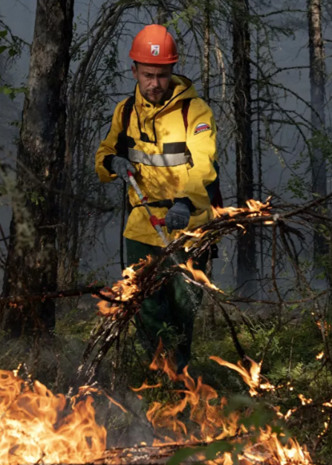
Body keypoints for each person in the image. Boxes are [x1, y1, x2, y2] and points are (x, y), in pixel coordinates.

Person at [94, 24, 220, 371]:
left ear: (172, 71)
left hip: (189, 228)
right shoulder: (125, 113)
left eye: (162, 75)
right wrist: (113, 162)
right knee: (146, 306)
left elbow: (203, 165)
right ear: (134, 70)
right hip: (141, 228)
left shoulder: (194, 112)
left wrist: (185, 203)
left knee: (183, 309)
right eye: (148, 75)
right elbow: (104, 156)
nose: (155, 83)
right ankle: (164, 376)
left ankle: (181, 382)